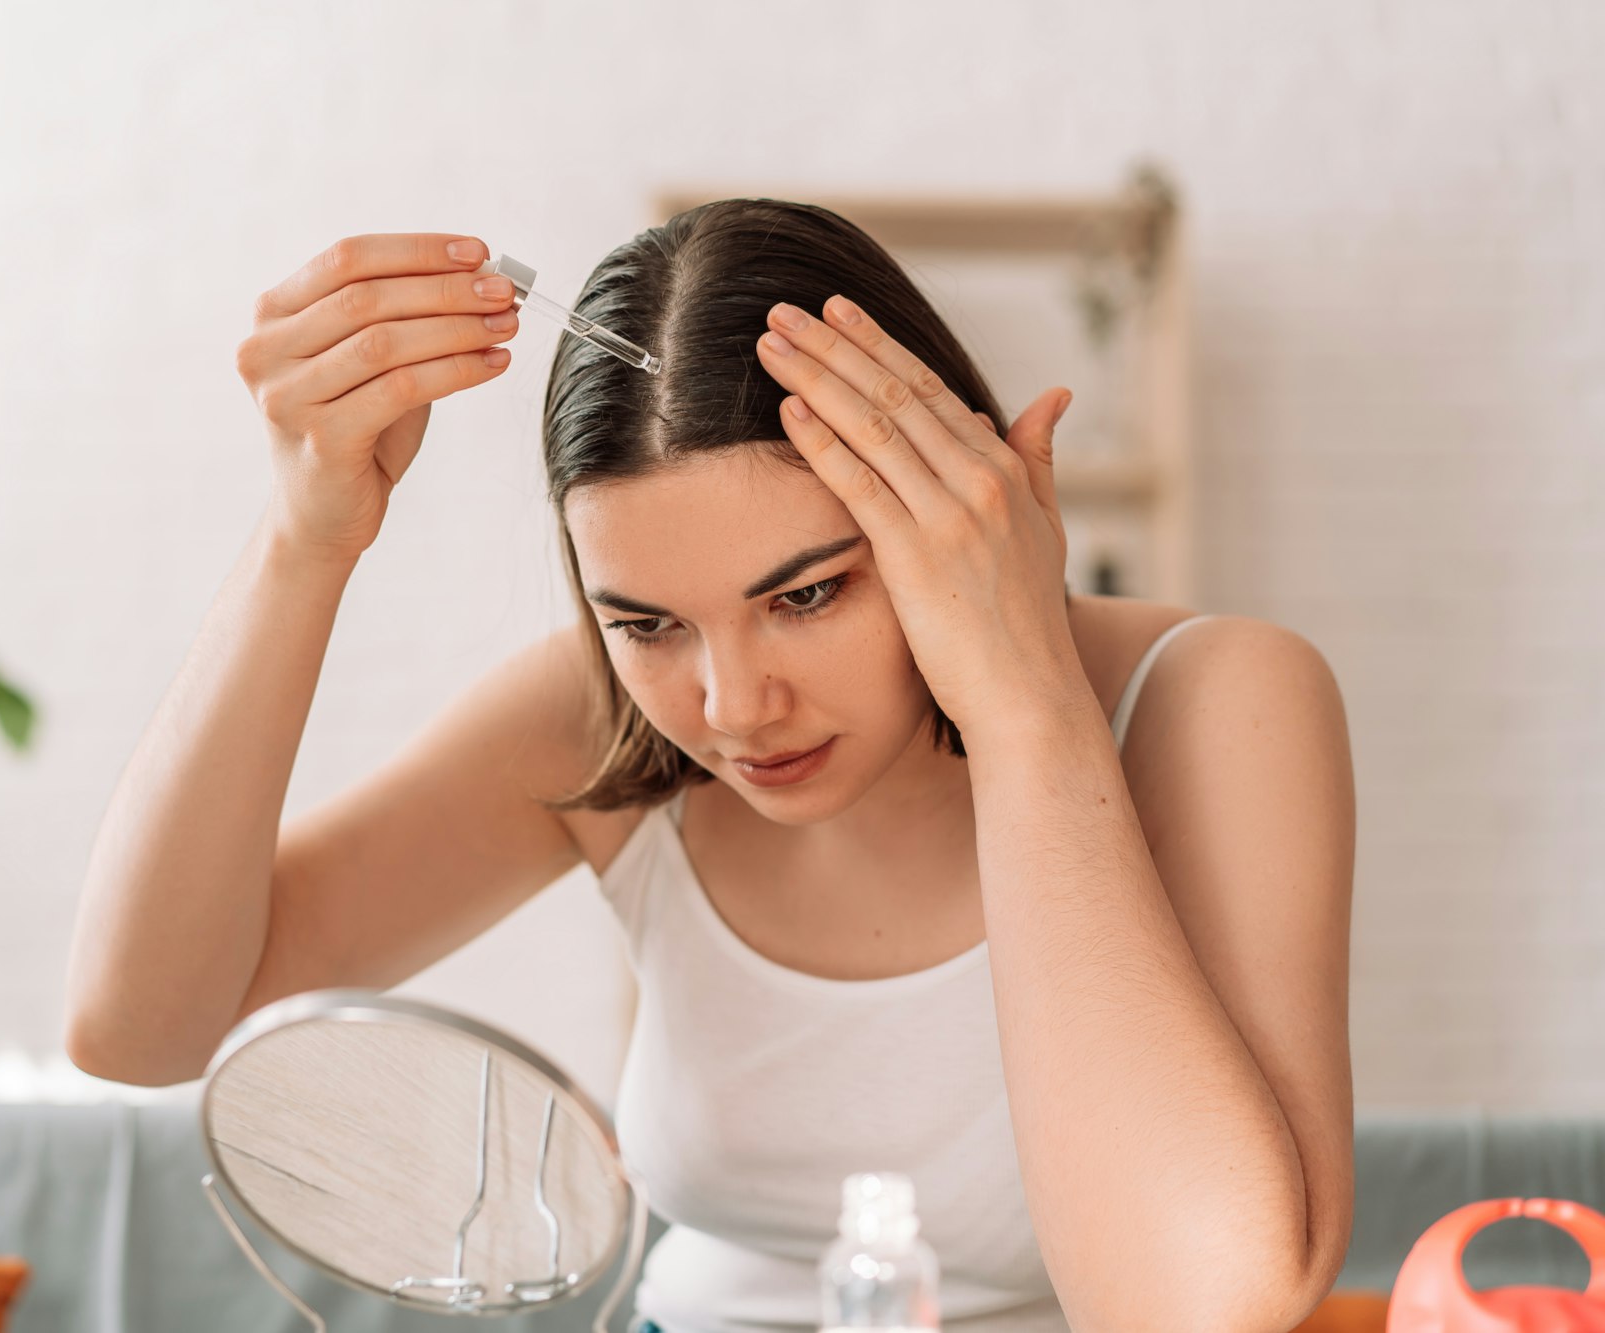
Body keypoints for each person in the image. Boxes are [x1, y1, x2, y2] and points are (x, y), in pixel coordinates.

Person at [65, 199, 1356, 1333]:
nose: (734, 708)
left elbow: (1204, 1304)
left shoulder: (1212, 703)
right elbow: (144, 1024)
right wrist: (307, 539)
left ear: (961, 493)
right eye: (646, 624)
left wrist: (1023, 702)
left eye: (807, 595)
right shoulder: (599, 729)